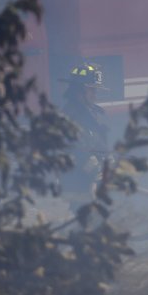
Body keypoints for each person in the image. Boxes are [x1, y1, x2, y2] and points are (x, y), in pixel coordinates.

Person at [58, 62, 110, 206]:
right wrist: (99, 172)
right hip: (79, 187)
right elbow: (77, 152)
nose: (95, 95)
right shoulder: (70, 117)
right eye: (91, 90)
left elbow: (97, 145)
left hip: (89, 185)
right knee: (86, 225)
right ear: (79, 91)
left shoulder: (87, 114)